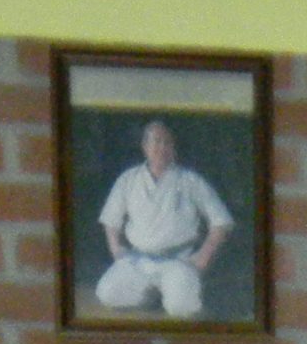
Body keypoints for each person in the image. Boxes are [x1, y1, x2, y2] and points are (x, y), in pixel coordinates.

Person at [94, 117, 233, 318]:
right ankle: (151, 295)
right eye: (156, 141)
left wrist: (204, 255)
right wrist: (116, 249)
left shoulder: (190, 180)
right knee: (108, 294)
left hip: (178, 261)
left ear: (174, 148)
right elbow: (111, 219)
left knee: (182, 308)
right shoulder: (128, 179)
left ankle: (171, 291)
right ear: (145, 147)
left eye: (167, 142)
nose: (162, 148)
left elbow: (221, 222)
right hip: (138, 260)